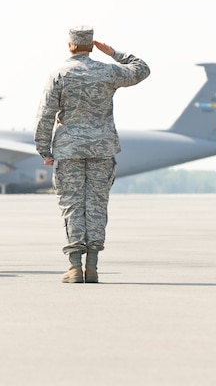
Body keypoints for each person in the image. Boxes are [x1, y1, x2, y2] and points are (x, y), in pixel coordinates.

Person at [34, 26, 149, 283]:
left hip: (69, 149)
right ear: (91, 45)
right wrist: (113, 52)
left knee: (72, 205)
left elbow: (45, 113)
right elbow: (142, 69)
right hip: (102, 148)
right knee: (97, 205)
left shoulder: (59, 74)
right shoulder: (108, 71)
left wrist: (43, 148)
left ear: (70, 45)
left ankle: (74, 266)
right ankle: (93, 265)